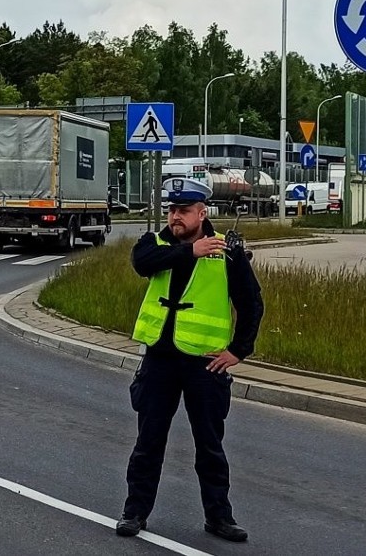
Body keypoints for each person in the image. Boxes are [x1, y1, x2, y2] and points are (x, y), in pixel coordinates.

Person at [116, 177, 264, 543]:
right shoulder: (155, 243)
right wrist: (190, 251)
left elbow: (251, 303)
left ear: (202, 212)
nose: (175, 217)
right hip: (159, 361)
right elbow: (142, 263)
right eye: (171, 210)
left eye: (183, 211)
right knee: (148, 442)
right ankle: (135, 512)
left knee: (210, 446)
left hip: (204, 364)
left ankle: (219, 517)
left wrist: (238, 350)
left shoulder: (226, 252)